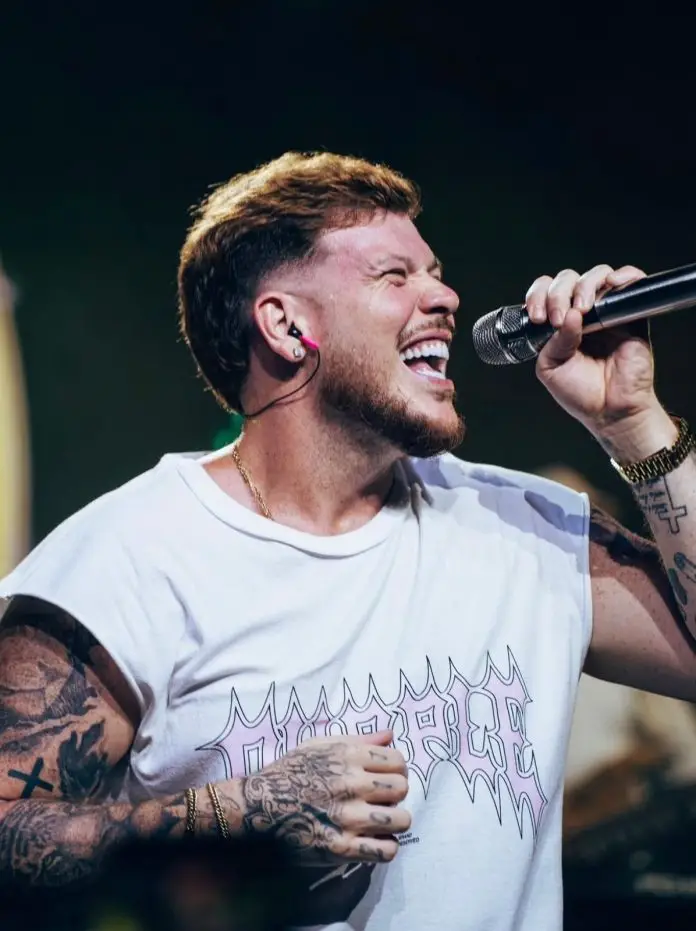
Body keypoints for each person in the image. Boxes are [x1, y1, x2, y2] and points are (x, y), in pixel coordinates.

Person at [0, 151, 695, 931]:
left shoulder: (526, 527)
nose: (446, 297)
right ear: (286, 325)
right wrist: (242, 813)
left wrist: (633, 422)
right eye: (394, 275)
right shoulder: (126, 559)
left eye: (436, 273)